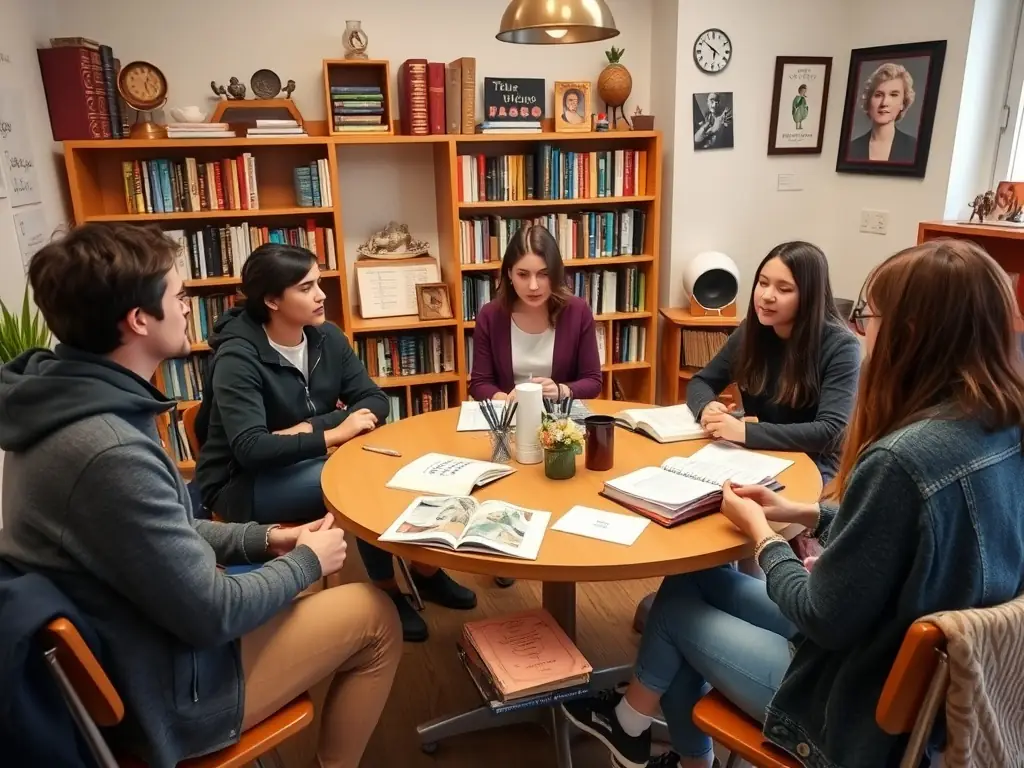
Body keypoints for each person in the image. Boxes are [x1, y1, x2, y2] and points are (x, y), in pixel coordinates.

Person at [562, 237, 1024, 768]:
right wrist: (805, 513)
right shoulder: (1001, 427)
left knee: (677, 609)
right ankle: (646, 734)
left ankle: (630, 726)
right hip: (915, 674)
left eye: (868, 315)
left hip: (848, 701)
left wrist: (761, 536)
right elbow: (900, 538)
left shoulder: (902, 460)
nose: (861, 328)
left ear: (909, 333)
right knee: (694, 579)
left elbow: (819, 614)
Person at [0, 223, 401, 768]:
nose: (191, 309)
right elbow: (212, 613)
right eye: (180, 296)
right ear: (139, 320)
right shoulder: (109, 449)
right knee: (376, 617)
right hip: (163, 694)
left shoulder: (71, 408)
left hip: (145, 644)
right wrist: (308, 561)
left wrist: (269, 538)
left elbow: (172, 530)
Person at [195, 243, 476, 643]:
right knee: (360, 483)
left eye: (319, 282)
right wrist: (332, 434)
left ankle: (424, 571)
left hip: (311, 460)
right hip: (242, 484)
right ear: (273, 300)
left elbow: (374, 400)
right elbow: (251, 448)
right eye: (307, 286)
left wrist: (310, 428)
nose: (322, 294)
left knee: (386, 470)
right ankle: (386, 591)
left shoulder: (327, 337)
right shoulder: (237, 357)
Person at [687, 241, 860, 484]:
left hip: (814, 464)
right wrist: (707, 406)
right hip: (759, 454)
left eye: (784, 289)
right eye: (763, 283)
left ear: (809, 296)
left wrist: (744, 432)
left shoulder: (841, 346)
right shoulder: (753, 330)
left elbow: (831, 432)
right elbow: (702, 381)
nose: (767, 296)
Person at [470, 224, 602, 402]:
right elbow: (479, 384)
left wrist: (561, 390)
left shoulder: (578, 312)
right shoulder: (490, 315)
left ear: (555, 274)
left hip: (560, 421)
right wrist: (505, 398)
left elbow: (593, 381)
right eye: (523, 275)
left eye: (543, 274)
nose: (533, 286)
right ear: (510, 274)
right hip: (510, 417)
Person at [846, 62, 918, 163]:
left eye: (893, 95)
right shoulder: (850, 149)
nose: (884, 103)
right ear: (868, 100)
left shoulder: (915, 148)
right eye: (878, 95)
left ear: (903, 103)